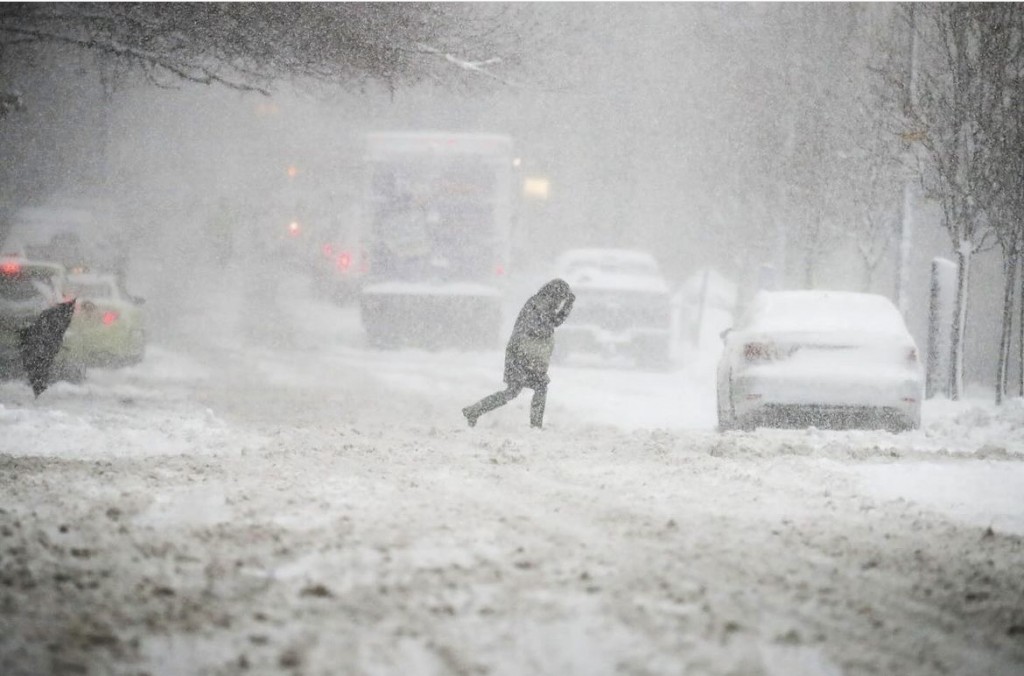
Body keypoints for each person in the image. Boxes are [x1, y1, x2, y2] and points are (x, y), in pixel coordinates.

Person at [462, 279, 575, 429]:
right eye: (561, 298)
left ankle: (475, 410)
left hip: (528, 356)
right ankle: (475, 411)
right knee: (519, 390)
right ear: (555, 294)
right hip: (521, 356)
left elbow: (554, 322)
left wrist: (567, 306)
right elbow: (544, 327)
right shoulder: (538, 305)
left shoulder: (542, 305)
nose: (560, 302)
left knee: (528, 388)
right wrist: (565, 308)